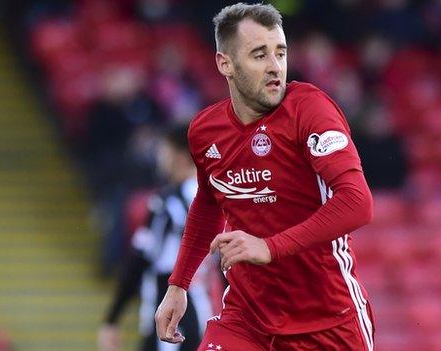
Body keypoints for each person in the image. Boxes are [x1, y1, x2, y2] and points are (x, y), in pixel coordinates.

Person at [155, 3, 375, 350]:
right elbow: (209, 203)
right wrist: (178, 284)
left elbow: (357, 202)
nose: (275, 67)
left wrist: (269, 247)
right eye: (259, 55)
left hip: (326, 321)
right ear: (225, 63)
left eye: (280, 53)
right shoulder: (204, 130)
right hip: (247, 318)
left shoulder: (310, 110)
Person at [98, 125, 213, 351]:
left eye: (164, 150)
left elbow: (139, 261)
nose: (161, 157)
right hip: (202, 311)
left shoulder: (167, 203)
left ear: (179, 155)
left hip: (169, 315)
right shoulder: (214, 198)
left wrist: (112, 319)